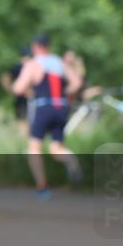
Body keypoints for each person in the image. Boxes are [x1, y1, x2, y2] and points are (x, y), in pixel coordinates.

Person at [13, 34, 83, 199]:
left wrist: (28, 90)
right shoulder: (58, 62)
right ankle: (72, 161)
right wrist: (66, 93)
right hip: (61, 106)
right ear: (48, 46)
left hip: (43, 106)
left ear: (35, 47)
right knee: (55, 148)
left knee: (34, 148)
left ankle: (42, 187)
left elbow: (18, 88)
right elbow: (77, 83)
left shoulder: (33, 63)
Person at [0, 46, 32, 136]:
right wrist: (11, 89)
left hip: (30, 98)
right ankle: (26, 140)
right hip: (22, 98)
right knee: (22, 120)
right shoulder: (18, 67)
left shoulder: (31, 66)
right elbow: (5, 77)